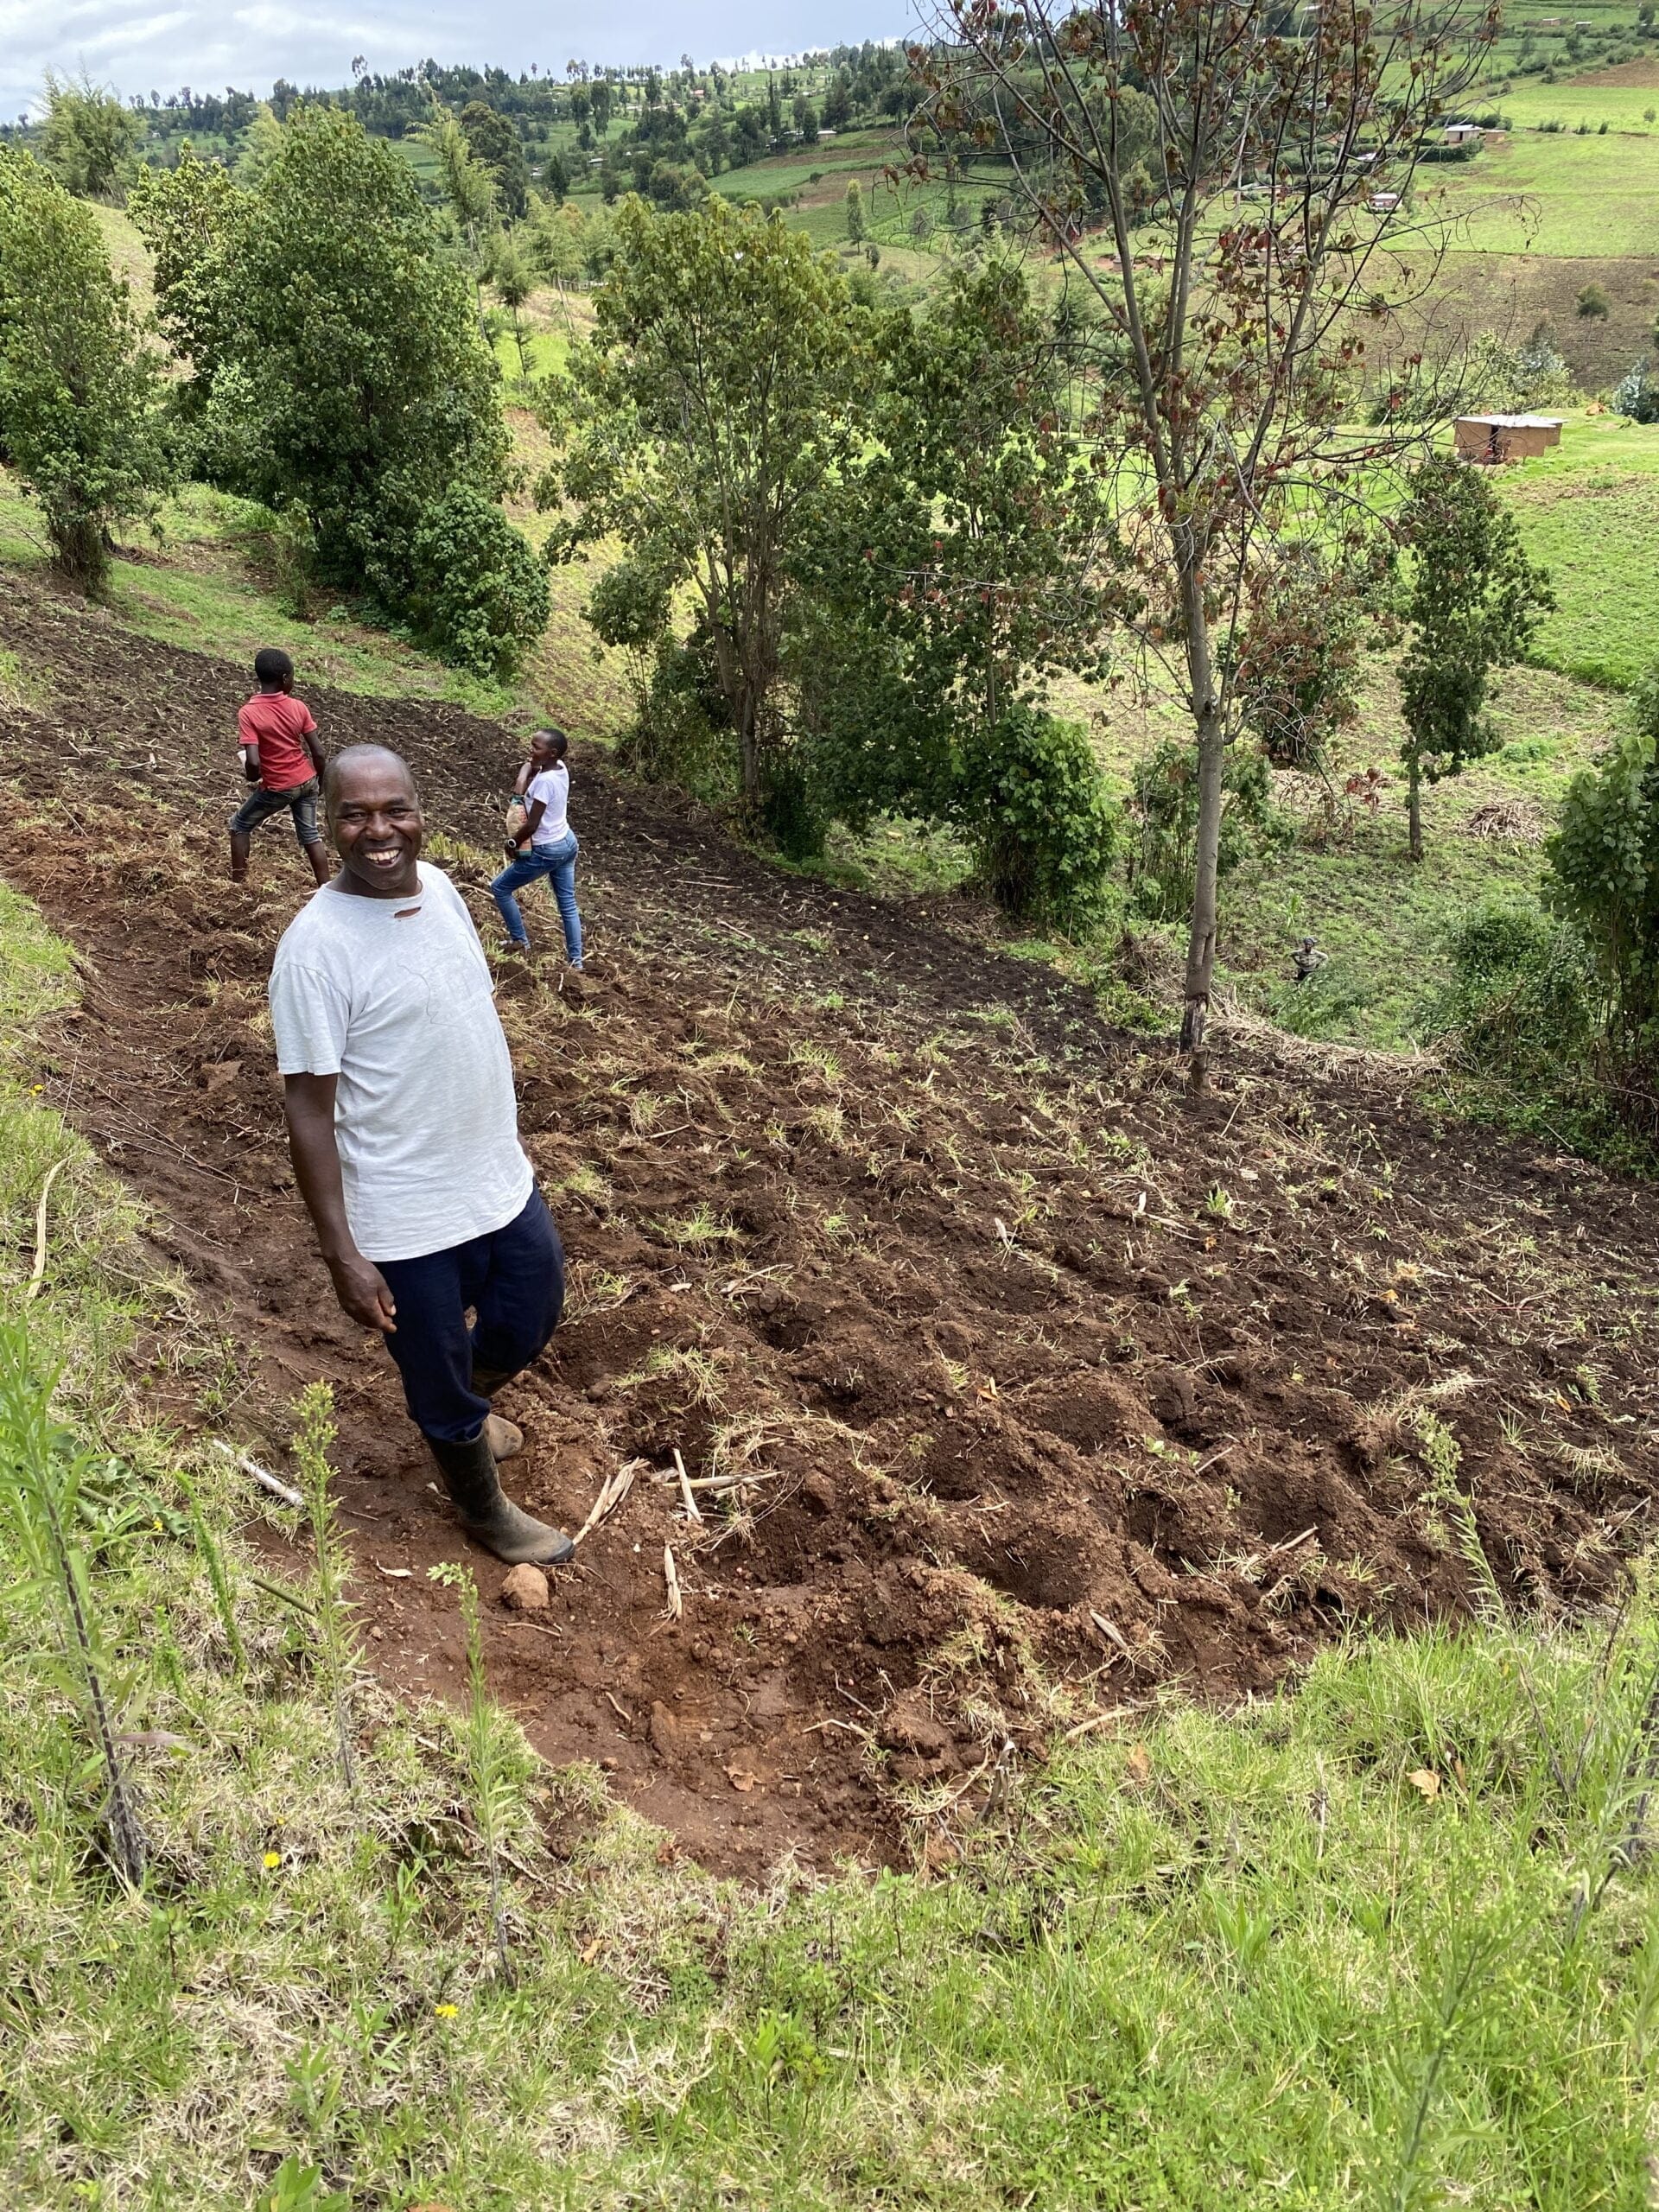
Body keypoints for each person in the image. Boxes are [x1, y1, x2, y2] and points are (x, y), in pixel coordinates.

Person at [269, 744, 575, 1567]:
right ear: (328, 822)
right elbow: (307, 1104)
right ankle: (481, 1506)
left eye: (393, 809)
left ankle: (460, 1415)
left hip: (494, 1177)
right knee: (434, 1365)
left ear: (419, 809)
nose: (379, 831)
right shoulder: (314, 948)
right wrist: (342, 1252)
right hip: (402, 1213)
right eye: (355, 814)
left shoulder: (440, 891)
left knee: (533, 1308)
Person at [230, 647, 330, 888]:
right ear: (285, 678)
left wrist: (254, 777)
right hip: (307, 781)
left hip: (279, 787)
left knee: (239, 825)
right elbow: (318, 752)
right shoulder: (298, 707)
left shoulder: (249, 713)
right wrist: (321, 782)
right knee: (311, 837)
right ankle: (326, 890)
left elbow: (253, 762)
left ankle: (237, 887)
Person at [491, 728, 582, 965]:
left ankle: (520, 941)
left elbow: (531, 824)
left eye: (536, 747)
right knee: (568, 904)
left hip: (546, 849)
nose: (531, 750)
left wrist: (513, 842)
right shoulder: (560, 769)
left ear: (552, 753)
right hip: (566, 842)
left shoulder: (544, 782)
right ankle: (576, 961)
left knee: (500, 888)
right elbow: (531, 773)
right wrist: (529, 767)